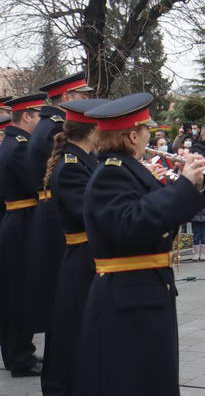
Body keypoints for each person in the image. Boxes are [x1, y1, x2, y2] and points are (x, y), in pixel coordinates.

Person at [73, 93, 205, 395]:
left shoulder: (124, 169)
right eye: (147, 129)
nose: (151, 134)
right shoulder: (111, 173)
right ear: (133, 134)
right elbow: (132, 224)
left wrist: (192, 183)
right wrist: (183, 187)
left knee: (150, 375)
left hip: (141, 289)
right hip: (129, 296)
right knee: (134, 378)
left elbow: (151, 211)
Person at [39, 99, 107, 395]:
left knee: (81, 325)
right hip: (81, 259)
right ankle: (62, 386)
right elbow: (89, 213)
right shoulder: (70, 165)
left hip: (87, 257)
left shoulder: (82, 159)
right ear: (94, 131)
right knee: (72, 326)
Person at [25, 72, 92, 337]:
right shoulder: (55, 126)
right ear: (66, 97)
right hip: (56, 211)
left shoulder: (46, 123)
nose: (86, 100)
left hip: (48, 208)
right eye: (82, 96)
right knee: (62, 294)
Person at [0, 93, 45, 378]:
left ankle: (19, 351)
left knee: (16, 290)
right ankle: (19, 356)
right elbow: (36, 185)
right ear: (27, 116)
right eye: (38, 116)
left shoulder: (12, 143)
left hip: (17, 220)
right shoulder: (19, 147)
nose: (40, 122)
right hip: (22, 221)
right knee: (17, 293)